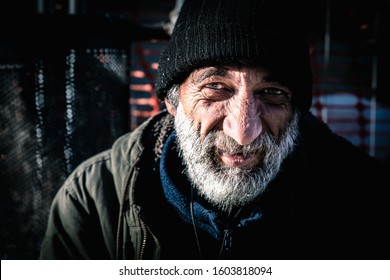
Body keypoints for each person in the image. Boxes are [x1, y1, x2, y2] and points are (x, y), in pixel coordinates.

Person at [39, 0, 389, 260]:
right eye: (216, 89)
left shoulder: (364, 199)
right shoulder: (95, 202)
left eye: (272, 94)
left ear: (295, 111)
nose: (243, 131)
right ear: (173, 102)